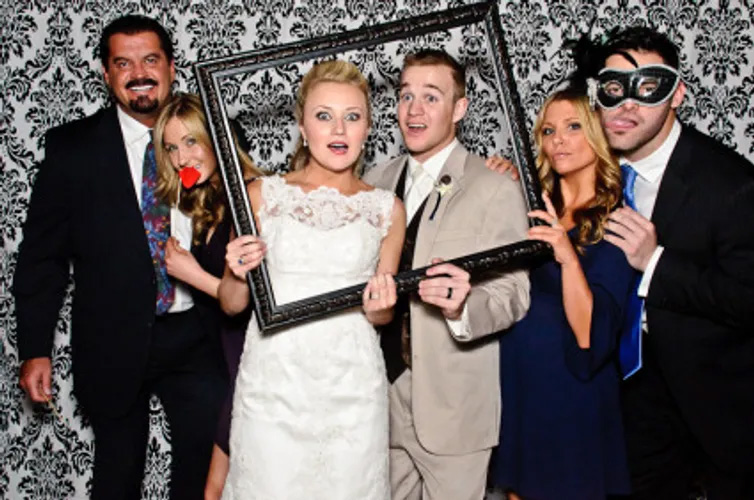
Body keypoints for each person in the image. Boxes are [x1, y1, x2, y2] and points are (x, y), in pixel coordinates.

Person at [14, 15, 225, 499]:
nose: (139, 73)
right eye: (123, 63)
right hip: (112, 341)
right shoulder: (72, 150)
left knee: (202, 474)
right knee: (117, 474)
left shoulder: (213, 136)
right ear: (106, 74)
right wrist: (35, 348)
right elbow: (41, 258)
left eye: (150, 59)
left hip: (198, 336)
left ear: (171, 67)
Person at [217, 59, 406, 499]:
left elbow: (382, 314)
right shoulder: (262, 194)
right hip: (274, 385)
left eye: (352, 117)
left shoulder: (386, 209)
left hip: (352, 388)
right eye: (324, 116)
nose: (338, 130)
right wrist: (235, 270)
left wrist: (382, 306)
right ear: (302, 126)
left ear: (368, 128)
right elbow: (231, 303)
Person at [591, 27, 754, 499]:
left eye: (648, 89)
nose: (626, 106)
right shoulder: (596, 168)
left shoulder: (731, 184)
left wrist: (655, 263)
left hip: (715, 405)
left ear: (677, 93)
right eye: (614, 89)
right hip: (630, 401)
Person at [362, 49, 530, 500]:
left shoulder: (494, 187)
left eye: (431, 97)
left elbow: (514, 292)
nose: (414, 110)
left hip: (454, 404)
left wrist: (463, 306)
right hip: (377, 396)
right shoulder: (373, 182)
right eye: (405, 96)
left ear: (459, 108)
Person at [487, 87, 635, 499]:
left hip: (572, 394)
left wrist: (568, 256)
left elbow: (592, 336)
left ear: (598, 133)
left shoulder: (617, 220)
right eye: (549, 130)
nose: (558, 140)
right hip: (520, 384)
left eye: (573, 127)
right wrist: (495, 185)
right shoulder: (532, 205)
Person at [150, 92, 261, 499]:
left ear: (218, 139)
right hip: (221, 358)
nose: (181, 159)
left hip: (251, 359)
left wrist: (190, 273)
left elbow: (249, 301)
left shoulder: (252, 195)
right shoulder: (209, 201)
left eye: (191, 142)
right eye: (171, 148)